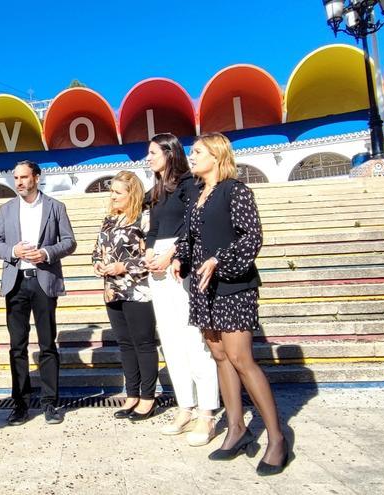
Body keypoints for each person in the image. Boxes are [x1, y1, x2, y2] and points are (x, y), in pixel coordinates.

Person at [171, 132, 291, 476]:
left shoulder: (235, 190)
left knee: (241, 359)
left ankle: (277, 438)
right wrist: (181, 257)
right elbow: (190, 237)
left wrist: (218, 260)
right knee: (220, 356)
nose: (191, 156)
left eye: (197, 152)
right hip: (203, 288)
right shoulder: (197, 194)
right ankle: (237, 429)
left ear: (216, 155)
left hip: (233, 286)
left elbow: (252, 235)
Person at [144, 133, 219, 446]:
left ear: (169, 153)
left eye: (152, 153)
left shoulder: (189, 184)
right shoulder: (156, 192)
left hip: (180, 263)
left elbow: (191, 225)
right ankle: (184, 407)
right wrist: (149, 251)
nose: (148, 158)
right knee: (171, 340)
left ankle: (207, 413)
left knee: (191, 338)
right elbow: (153, 229)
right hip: (156, 267)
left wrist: (171, 253)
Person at [0, 160, 76, 426]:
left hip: (43, 281)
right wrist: (12, 252)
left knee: (48, 345)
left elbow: (69, 241)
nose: (19, 183)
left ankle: (51, 403)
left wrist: (47, 253)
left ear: (36, 178)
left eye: (24, 177)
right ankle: (20, 404)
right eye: (15, 178)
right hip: (16, 282)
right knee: (18, 346)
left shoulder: (55, 207)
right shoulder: (5, 209)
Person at [92, 171, 159, 422]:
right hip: (113, 290)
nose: (113, 196)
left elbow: (151, 256)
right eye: (112, 191)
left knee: (143, 343)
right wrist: (98, 264)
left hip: (138, 289)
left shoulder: (145, 219)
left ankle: (148, 398)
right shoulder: (110, 219)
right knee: (125, 344)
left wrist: (125, 267)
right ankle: (132, 395)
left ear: (132, 194)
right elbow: (97, 251)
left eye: (118, 192)